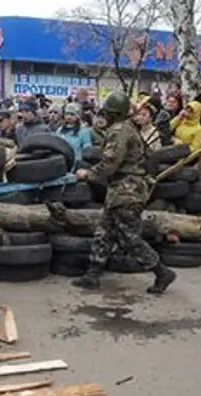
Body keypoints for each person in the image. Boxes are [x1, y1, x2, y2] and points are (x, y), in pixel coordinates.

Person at [72, 91, 176, 295]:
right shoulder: (129, 128)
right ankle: (92, 274)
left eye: (108, 113)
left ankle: (162, 272)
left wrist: (89, 173)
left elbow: (111, 163)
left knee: (129, 237)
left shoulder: (119, 130)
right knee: (104, 231)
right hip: (122, 190)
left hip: (126, 191)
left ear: (113, 113)